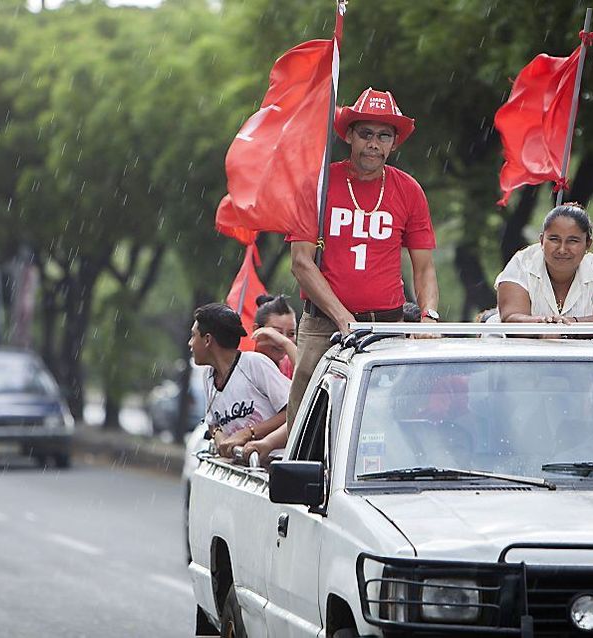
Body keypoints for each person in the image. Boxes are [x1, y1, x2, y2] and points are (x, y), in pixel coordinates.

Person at [286, 88, 440, 428]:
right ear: (349, 136)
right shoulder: (320, 184)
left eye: (384, 136)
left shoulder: (409, 190)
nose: (374, 143)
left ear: (394, 144)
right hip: (323, 324)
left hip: (387, 325)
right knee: (308, 417)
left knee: (384, 418)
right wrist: (343, 319)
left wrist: (428, 316)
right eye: (366, 134)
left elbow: (425, 267)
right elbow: (301, 262)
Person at [187, 303, 290, 458]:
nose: (190, 343)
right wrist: (219, 437)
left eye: (193, 336)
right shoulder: (208, 376)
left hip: (274, 464)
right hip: (240, 469)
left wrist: (248, 433)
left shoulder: (255, 364)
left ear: (207, 340)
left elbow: (292, 411)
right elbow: (212, 422)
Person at [496, 203, 593, 324]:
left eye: (573, 241)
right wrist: (543, 325)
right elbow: (511, 317)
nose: (562, 249)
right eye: (554, 239)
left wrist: (570, 324)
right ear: (541, 241)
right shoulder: (522, 263)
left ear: (588, 244)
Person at [251, 294, 298, 379]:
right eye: (277, 333)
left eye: (291, 334)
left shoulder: (290, 363)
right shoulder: (246, 363)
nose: (283, 339)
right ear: (256, 329)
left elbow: (309, 378)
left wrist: (287, 344)